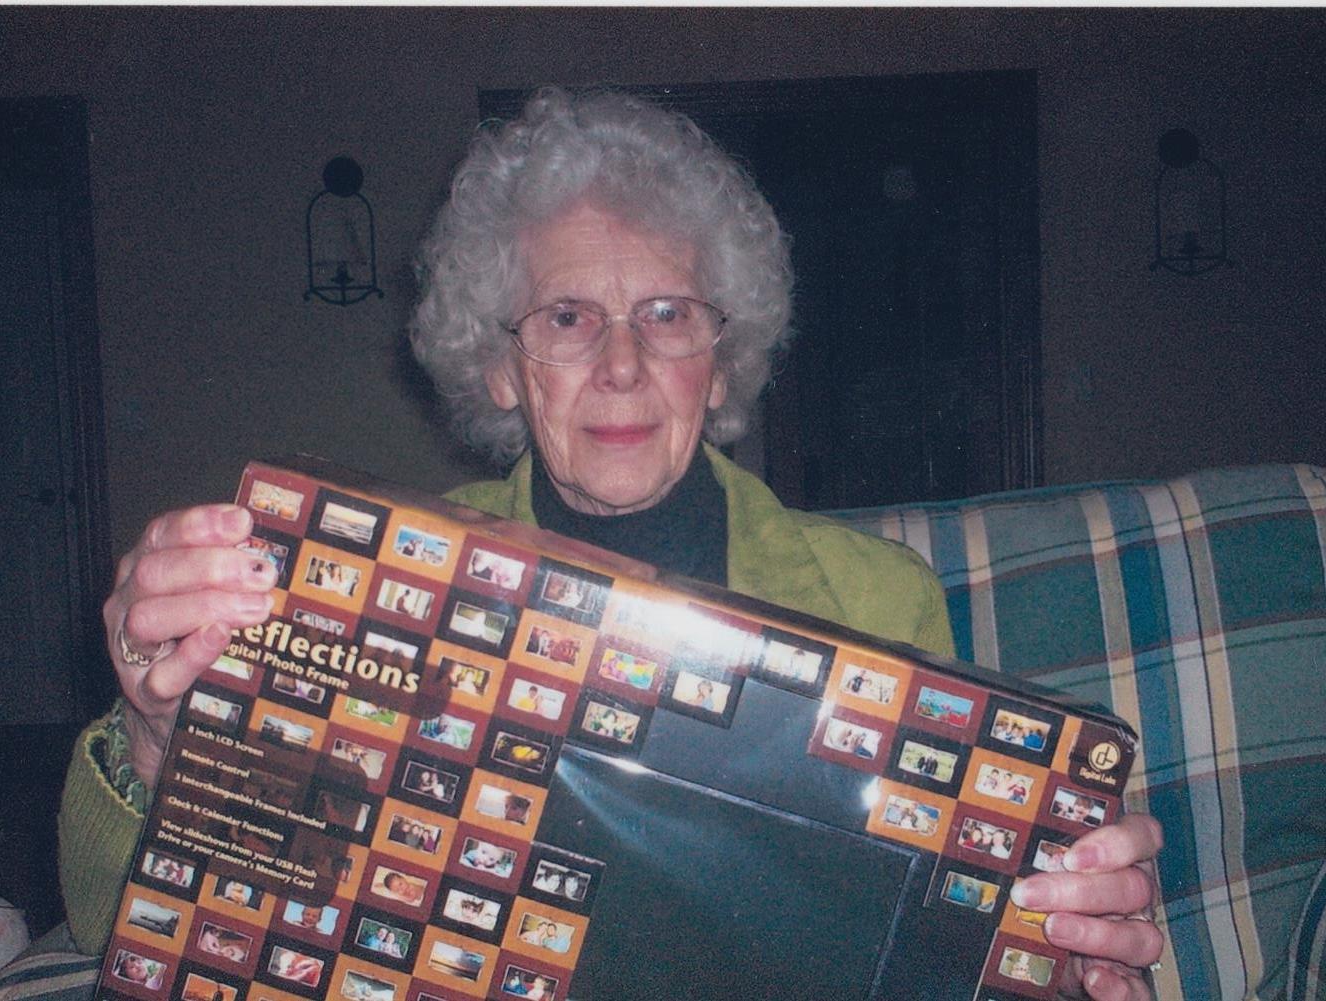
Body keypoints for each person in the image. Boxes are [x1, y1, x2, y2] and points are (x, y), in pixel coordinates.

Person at [62, 86, 1163, 1001]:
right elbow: (144, 915)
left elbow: (935, 936)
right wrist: (162, 735)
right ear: (500, 368)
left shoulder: (880, 600)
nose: (624, 364)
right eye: (568, 317)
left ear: (721, 362)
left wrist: (1058, 947)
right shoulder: (379, 578)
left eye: (668, 314)